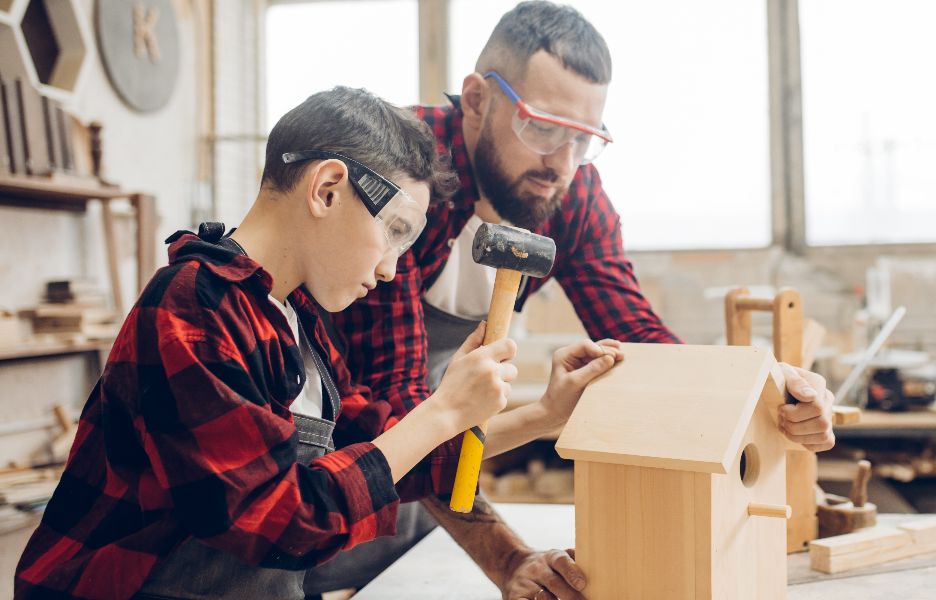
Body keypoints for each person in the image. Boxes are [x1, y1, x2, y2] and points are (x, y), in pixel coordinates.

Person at [14, 86, 620, 600]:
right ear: (328, 189)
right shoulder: (192, 307)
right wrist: (442, 409)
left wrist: (543, 416)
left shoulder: (293, 318)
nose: (389, 269)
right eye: (395, 232)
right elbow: (280, 521)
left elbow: (380, 443)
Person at [323, 3, 837, 599]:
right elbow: (400, 413)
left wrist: (772, 390)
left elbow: (639, 338)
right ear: (476, 99)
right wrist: (507, 558)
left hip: (433, 473)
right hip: (328, 470)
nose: (560, 165)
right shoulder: (403, 177)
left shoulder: (571, 193)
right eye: (541, 128)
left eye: (582, 139)